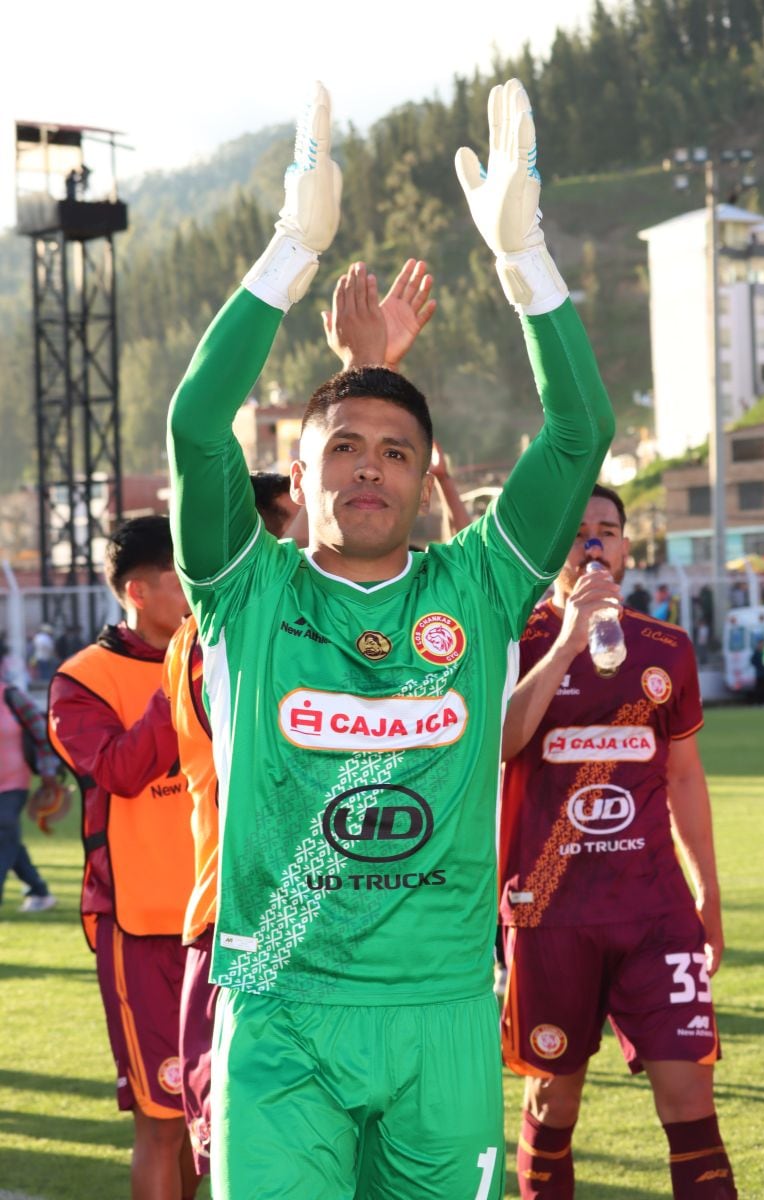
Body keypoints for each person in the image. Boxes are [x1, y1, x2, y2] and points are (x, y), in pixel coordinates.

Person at [167, 78, 613, 1199]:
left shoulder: (478, 586)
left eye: (395, 450)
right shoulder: (244, 588)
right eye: (343, 445)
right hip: (279, 1006)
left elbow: (578, 431)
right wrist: (287, 249)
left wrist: (527, 268)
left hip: (442, 1009)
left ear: (423, 483)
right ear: (300, 471)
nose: (368, 464)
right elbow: (190, 424)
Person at [164, 257, 459, 1179]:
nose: (364, 475)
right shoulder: (233, 613)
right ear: (291, 489)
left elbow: (417, 600)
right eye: (336, 456)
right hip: (264, 939)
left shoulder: (375, 593)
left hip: (401, 962)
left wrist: (372, 373)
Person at [499, 484, 737, 1199]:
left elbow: (687, 779)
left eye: (607, 529)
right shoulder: (518, 638)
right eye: (577, 532)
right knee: (552, 1105)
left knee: (691, 1102)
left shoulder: (667, 647)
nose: (593, 543)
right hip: (550, 915)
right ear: (554, 550)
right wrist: (571, 635)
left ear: (629, 546)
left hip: (655, 914)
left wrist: (709, 893)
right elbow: (501, 743)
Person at [48, 516, 199, 1200]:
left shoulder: (222, 658)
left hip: (232, 920)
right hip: (140, 926)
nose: (198, 588)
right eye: (181, 576)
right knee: (163, 1122)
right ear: (137, 592)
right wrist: (182, 674)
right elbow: (121, 770)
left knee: (219, 1121)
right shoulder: (81, 680)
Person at [0, 681, 60, 911]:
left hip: (13, 782)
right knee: (9, 838)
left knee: (4, 827)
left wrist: (48, 772)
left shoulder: (11, 696)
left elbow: (42, 733)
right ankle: (39, 892)